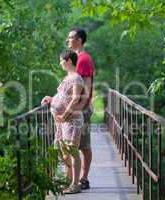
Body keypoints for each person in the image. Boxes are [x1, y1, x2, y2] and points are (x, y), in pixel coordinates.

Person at [42, 27, 94, 190]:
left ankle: (80, 180)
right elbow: (66, 93)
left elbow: (85, 90)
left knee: (81, 146)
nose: (67, 40)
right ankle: (70, 179)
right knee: (70, 147)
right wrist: (53, 100)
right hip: (69, 115)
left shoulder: (83, 59)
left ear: (79, 40)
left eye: (70, 38)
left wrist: (73, 111)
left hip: (78, 112)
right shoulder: (74, 62)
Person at [43, 49, 84, 194]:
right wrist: (51, 99)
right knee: (63, 152)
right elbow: (61, 96)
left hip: (71, 121)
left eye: (61, 60)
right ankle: (67, 180)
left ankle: (75, 184)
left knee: (73, 151)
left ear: (69, 61)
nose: (60, 63)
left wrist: (64, 116)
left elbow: (74, 99)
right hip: (62, 123)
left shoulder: (76, 78)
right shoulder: (67, 78)